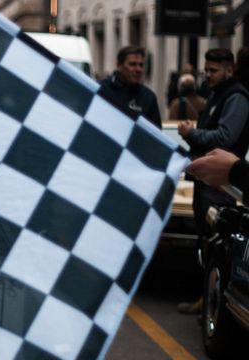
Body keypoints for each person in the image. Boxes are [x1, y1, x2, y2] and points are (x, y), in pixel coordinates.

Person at [177, 48, 249, 313]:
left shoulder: (236, 97)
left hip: (222, 183)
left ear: (229, 70)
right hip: (209, 179)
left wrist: (193, 133)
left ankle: (214, 301)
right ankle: (206, 297)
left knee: (217, 242)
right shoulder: (218, 94)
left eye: (213, 70)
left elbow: (225, 137)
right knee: (206, 241)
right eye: (205, 70)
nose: (207, 75)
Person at [99, 46, 162, 127]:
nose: (138, 69)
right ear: (119, 66)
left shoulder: (148, 97)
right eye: (132, 64)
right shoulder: (102, 90)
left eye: (141, 65)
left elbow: (155, 134)